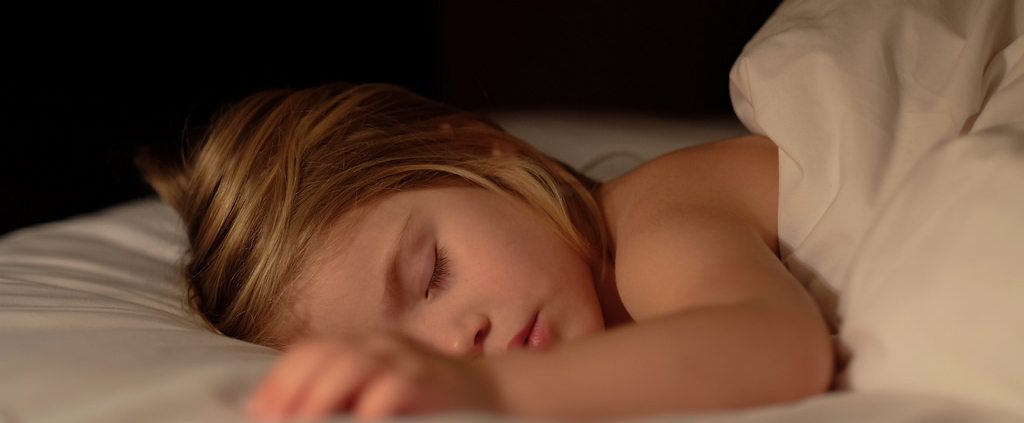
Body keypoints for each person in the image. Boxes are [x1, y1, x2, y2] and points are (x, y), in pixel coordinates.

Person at [137, 82, 833, 421]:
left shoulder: (657, 218)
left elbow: (776, 347)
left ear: (483, 153)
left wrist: (494, 391)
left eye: (433, 273)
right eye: (409, 352)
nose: (455, 343)